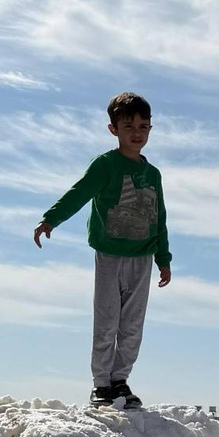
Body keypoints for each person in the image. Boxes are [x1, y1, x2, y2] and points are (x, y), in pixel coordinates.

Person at [34, 91, 172, 409]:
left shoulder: (153, 175)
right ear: (114, 130)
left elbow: (159, 217)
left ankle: (120, 380)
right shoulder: (106, 165)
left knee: (132, 325)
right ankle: (101, 384)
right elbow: (80, 192)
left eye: (144, 127)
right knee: (107, 320)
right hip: (110, 255)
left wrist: (163, 258)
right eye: (129, 127)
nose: (137, 133)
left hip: (143, 258)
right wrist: (51, 219)